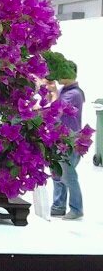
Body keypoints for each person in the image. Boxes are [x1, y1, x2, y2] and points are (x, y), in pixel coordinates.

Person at [50, 62, 85, 220]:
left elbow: (57, 108)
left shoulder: (75, 94)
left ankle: (77, 209)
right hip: (61, 138)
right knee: (58, 174)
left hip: (70, 141)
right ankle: (58, 206)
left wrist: (53, 92)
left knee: (68, 176)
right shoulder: (65, 90)